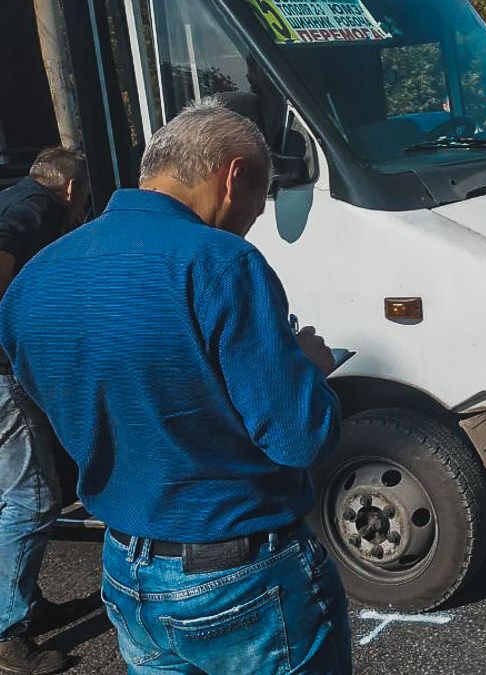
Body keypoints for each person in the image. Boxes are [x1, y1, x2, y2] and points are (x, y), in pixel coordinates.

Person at [0, 99, 352, 673]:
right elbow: (300, 439)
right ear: (234, 176)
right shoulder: (220, 261)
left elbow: (60, 398)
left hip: (125, 569)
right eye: (257, 204)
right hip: (242, 570)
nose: (251, 221)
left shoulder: (32, 281)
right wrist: (307, 368)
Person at [0, 148, 89, 674]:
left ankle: (25, 603)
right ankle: (7, 633)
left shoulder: (16, 195)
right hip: (1, 376)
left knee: (18, 490)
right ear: (73, 190)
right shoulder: (36, 208)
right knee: (32, 501)